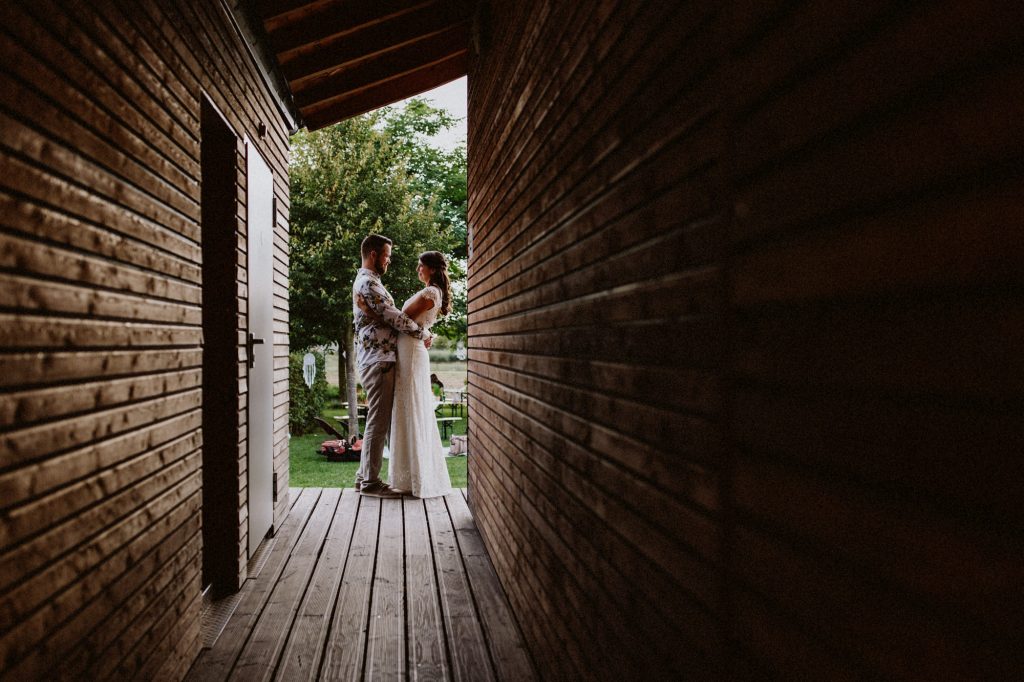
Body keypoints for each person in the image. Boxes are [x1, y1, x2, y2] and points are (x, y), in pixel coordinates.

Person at [351, 234, 433, 498]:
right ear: (373, 254)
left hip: (376, 358)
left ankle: (363, 477)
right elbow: (395, 318)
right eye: (387, 255)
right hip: (379, 360)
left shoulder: (368, 282)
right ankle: (371, 483)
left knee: (376, 419)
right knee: (379, 421)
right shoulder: (368, 284)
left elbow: (384, 316)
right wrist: (423, 334)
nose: (389, 261)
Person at [385, 251, 454, 498]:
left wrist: (379, 310)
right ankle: (407, 477)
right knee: (406, 407)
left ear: (432, 269)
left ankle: (417, 477)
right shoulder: (431, 292)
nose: (418, 270)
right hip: (410, 348)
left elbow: (402, 319)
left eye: (420, 266)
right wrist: (425, 334)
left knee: (411, 406)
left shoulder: (431, 293)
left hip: (412, 352)